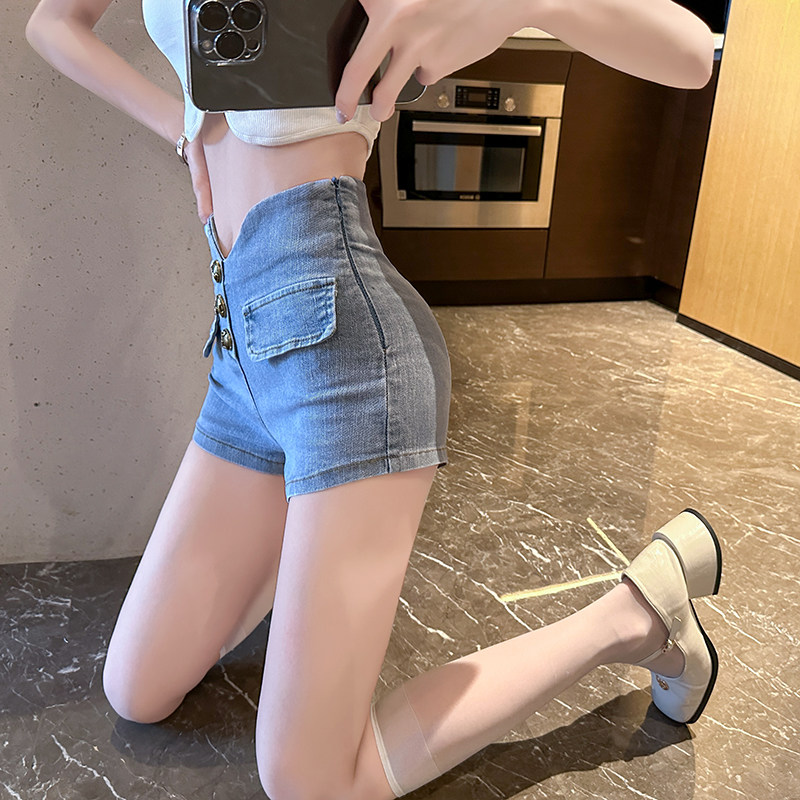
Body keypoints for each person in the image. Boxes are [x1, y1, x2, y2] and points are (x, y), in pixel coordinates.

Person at [25, 1, 720, 797]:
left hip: (347, 352)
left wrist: (520, 2)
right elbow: (54, 23)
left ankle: (636, 618)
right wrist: (182, 130)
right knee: (135, 690)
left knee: (309, 782)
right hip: (242, 355)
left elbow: (689, 51)